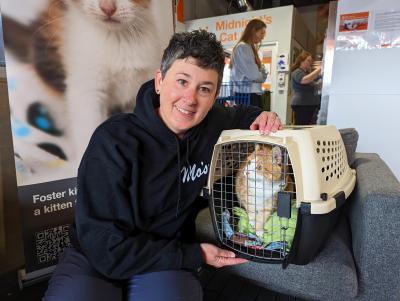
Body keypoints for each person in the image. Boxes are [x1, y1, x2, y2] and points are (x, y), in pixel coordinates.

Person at [43, 30, 283, 301]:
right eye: (182, 81)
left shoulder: (212, 123)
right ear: (159, 81)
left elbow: (240, 113)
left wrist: (264, 115)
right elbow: (105, 247)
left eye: (204, 89)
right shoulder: (113, 141)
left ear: (215, 95)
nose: (190, 99)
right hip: (99, 255)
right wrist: (197, 254)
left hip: (168, 248)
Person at [230, 18, 268, 108]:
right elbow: (254, 75)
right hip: (248, 95)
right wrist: (262, 74)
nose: (263, 36)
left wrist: (261, 74)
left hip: (248, 94)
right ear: (253, 31)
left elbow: (257, 74)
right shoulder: (243, 48)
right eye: (261, 33)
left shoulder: (247, 48)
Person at [290, 51, 322, 125]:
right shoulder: (297, 72)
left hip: (308, 104)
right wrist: (320, 68)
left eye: (311, 61)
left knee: (306, 126)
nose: (310, 62)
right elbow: (304, 80)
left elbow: (313, 79)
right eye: (308, 60)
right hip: (302, 105)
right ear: (301, 61)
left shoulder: (306, 73)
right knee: (301, 127)